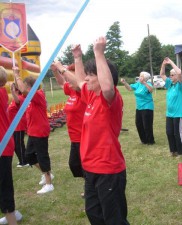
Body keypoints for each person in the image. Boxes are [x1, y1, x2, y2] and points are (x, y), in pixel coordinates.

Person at [54, 38, 130, 225]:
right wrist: (77, 58)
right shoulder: (91, 97)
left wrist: (99, 53)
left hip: (108, 170)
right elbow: (79, 82)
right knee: (94, 214)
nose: (87, 79)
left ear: (103, 77)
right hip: (90, 169)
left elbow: (108, 86)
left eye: (91, 75)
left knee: (114, 220)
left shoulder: (109, 99)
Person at [13, 67, 54, 195]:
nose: (23, 88)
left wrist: (16, 74)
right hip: (32, 131)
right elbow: (20, 96)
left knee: (42, 156)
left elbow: (24, 91)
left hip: (40, 131)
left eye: (25, 86)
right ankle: (47, 174)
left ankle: (49, 183)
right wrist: (14, 87)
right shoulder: (31, 99)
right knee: (29, 156)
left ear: (31, 86)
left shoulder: (38, 95)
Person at [50, 63, 86, 197]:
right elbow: (61, 84)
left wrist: (61, 68)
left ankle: (91, 190)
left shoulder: (81, 91)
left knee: (83, 165)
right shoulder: (71, 89)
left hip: (83, 136)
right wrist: (55, 71)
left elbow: (77, 83)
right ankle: (89, 185)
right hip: (74, 137)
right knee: (75, 165)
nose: (67, 80)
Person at [0, 66, 22, 225]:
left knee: (4, 186)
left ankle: (12, 216)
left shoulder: (1, 92)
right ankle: (12, 215)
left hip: (3, 145)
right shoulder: (2, 92)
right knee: (4, 185)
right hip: (5, 143)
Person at [159, 57, 182, 158]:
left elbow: (179, 72)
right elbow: (162, 74)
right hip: (169, 113)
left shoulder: (180, 85)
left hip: (178, 113)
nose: (170, 76)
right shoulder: (169, 84)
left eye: (172, 75)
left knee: (177, 133)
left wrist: (170, 62)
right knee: (169, 132)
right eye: (170, 75)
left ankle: (181, 152)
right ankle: (173, 151)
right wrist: (163, 64)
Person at [120, 72, 155, 145]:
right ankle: (143, 140)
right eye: (139, 76)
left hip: (147, 107)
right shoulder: (138, 84)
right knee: (138, 124)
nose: (139, 77)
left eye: (141, 76)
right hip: (139, 107)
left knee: (147, 125)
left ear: (145, 78)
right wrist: (125, 83)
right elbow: (129, 88)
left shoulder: (148, 84)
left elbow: (151, 90)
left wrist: (144, 83)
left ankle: (150, 141)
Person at [8, 83, 28, 168]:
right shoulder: (14, 100)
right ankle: (22, 160)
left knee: (18, 144)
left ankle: (24, 161)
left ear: (18, 91)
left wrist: (12, 91)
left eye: (15, 89)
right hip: (14, 126)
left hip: (19, 125)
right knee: (16, 144)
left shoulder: (20, 98)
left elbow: (17, 101)